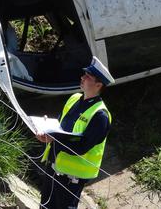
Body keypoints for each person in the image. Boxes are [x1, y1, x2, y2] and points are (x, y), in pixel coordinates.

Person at [36, 57, 114, 209]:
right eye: (83, 74)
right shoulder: (74, 98)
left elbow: (81, 147)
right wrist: (46, 131)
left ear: (98, 85)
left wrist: (53, 139)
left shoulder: (101, 116)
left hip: (71, 180)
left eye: (88, 77)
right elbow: (59, 126)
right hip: (53, 167)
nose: (82, 78)